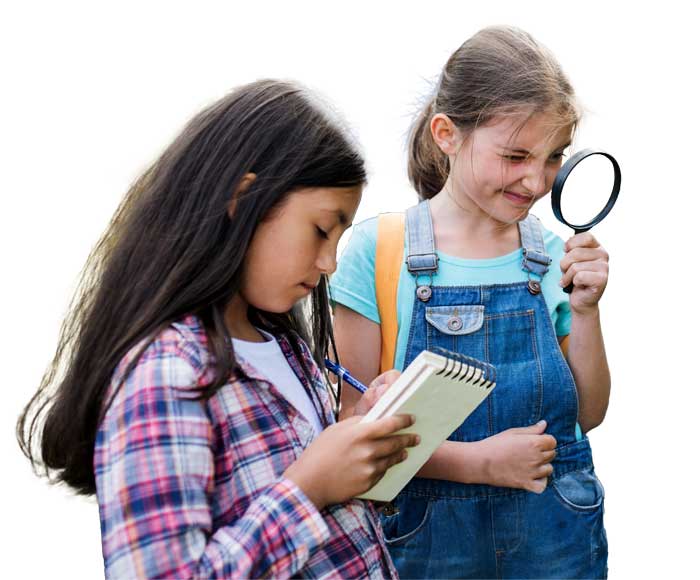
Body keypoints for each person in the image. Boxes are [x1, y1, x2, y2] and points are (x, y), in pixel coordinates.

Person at [16, 79, 420, 579]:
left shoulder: (288, 348)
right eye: (320, 229)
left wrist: (360, 446)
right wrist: (308, 488)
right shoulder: (164, 372)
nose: (330, 262)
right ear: (242, 197)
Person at [331, 26, 610, 578]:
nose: (535, 180)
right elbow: (348, 425)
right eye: (514, 155)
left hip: (556, 538)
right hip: (426, 544)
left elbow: (588, 415)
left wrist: (586, 311)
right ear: (447, 135)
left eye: (554, 156)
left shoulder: (553, 255)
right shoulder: (377, 251)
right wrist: (478, 463)